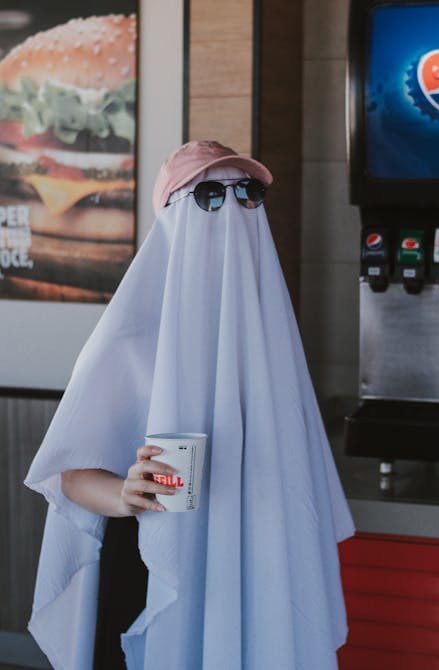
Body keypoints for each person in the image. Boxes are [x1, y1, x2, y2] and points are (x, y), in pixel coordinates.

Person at [25, 140, 354, 670]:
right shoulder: (128, 339)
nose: (230, 208)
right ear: (173, 219)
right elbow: (69, 475)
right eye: (207, 194)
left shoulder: (273, 347)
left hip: (255, 566)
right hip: (156, 568)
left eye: (246, 192)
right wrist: (125, 493)